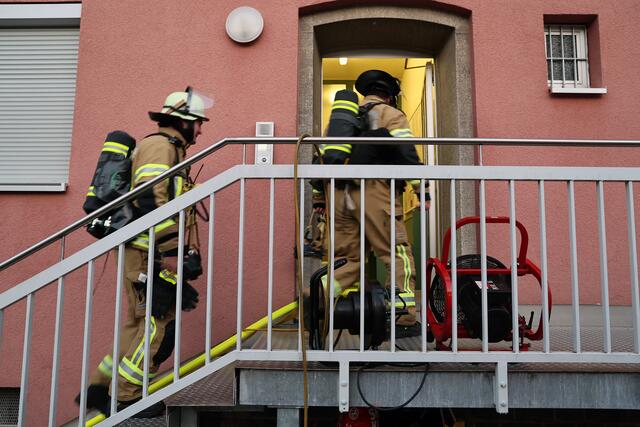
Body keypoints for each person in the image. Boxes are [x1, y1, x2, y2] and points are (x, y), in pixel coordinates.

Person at [77, 87, 212, 417]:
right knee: (157, 324)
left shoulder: (169, 150)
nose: (200, 130)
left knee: (138, 324)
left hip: (147, 250)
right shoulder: (159, 147)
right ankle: (128, 397)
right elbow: (150, 199)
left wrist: (186, 249)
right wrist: (172, 251)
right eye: (198, 123)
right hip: (146, 252)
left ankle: (99, 388)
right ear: (182, 122)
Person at [318, 70, 429, 338]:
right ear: (389, 96)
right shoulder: (391, 114)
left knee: (346, 260)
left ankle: (317, 305)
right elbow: (407, 152)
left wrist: (319, 199)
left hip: (338, 193)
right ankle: (402, 317)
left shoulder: (341, 121)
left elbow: (322, 159)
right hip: (375, 191)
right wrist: (421, 189)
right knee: (396, 253)